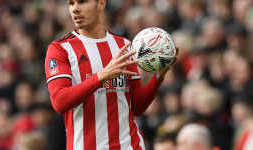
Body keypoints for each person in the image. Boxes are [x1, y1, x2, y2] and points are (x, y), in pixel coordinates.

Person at [44, 0, 176, 149]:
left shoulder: (124, 46)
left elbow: (137, 106)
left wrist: (158, 77)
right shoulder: (60, 49)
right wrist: (101, 77)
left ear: (101, 3)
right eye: (71, 3)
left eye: (82, 2)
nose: (75, 9)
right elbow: (60, 101)